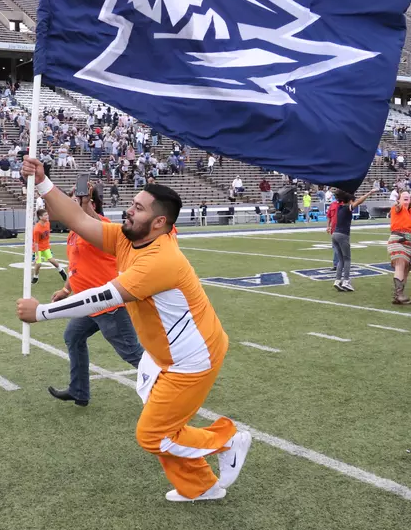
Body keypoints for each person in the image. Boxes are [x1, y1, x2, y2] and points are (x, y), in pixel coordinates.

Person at [16, 157, 251, 502]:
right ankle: (202, 487)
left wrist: (42, 313)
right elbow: (77, 218)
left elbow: (103, 297)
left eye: (137, 208)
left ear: (158, 222)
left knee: (154, 435)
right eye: (131, 204)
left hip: (192, 358)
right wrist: (42, 182)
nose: (128, 211)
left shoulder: (162, 259)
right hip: (161, 354)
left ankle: (227, 440)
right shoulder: (128, 238)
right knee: (163, 425)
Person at [47, 185, 144, 406]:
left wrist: (84, 208)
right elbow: (76, 266)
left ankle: (172, 385)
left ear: (90, 204)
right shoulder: (74, 231)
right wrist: (66, 290)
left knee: (132, 354)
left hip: (108, 304)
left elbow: (98, 226)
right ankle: (79, 391)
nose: (71, 207)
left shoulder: (103, 227)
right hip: (87, 304)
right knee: (73, 337)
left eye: (77, 202)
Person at [331, 188, 373, 292]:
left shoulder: (339, 208)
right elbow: (359, 201)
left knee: (340, 260)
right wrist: (369, 192)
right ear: (350, 200)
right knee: (347, 259)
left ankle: (337, 280)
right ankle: (346, 281)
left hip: (335, 234)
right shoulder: (346, 208)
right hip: (342, 235)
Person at [387, 190, 411, 304]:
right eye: (403, 196)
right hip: (398, 239)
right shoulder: (397, 208)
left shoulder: (410, 214)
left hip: (408, 242)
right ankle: (398, 294)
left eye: (408, 196)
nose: (406, 196)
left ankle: (399, 294)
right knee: (400, 264)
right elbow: (397, 206)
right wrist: (397, 203)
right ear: (398, 199)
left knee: (406, 268)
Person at [31, 208, 68, 285]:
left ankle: (61, 270)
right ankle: (35, 276)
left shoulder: (48, 223)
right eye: (45, 215)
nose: (47, 216)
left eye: (47, 214)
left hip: (46, 246)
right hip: (38, 248)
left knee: (52, 260)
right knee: (38, 264)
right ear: (40, 217)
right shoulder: (37, 229)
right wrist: (37, 255)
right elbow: (36, 243)